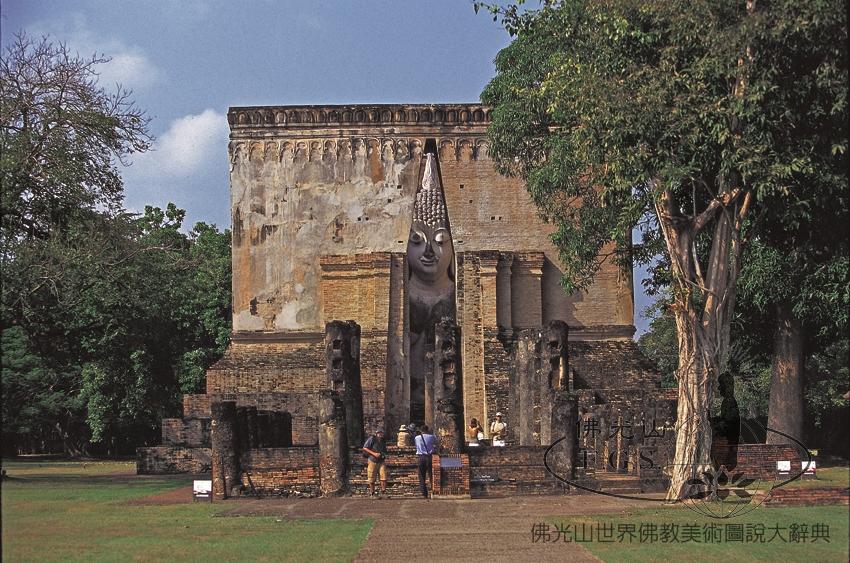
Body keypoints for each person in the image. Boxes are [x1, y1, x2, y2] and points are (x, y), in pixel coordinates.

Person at [362, 428, 389, 497]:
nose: (380, 434)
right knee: (371, 477)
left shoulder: (383, 441)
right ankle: (372, 493)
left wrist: (384, 455)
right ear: (376, 434)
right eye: (379, 433)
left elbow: (385, 450)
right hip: (372, 460)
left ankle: (383, 492)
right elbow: (365, 448)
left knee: (384, 477)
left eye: (381, 433)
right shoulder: (372, 439)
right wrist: (374, 453)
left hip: (381, 460)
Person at [414, 424, 436, 498]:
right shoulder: (432, 437)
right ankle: (434, 490)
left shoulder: (417, 438)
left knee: (421, 476)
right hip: (430, 457)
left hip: (421, 457)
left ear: (421, 430)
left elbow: (416, 446)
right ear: (427, 430)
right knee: (432, 475)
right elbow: (435, 444)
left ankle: (424, 493)